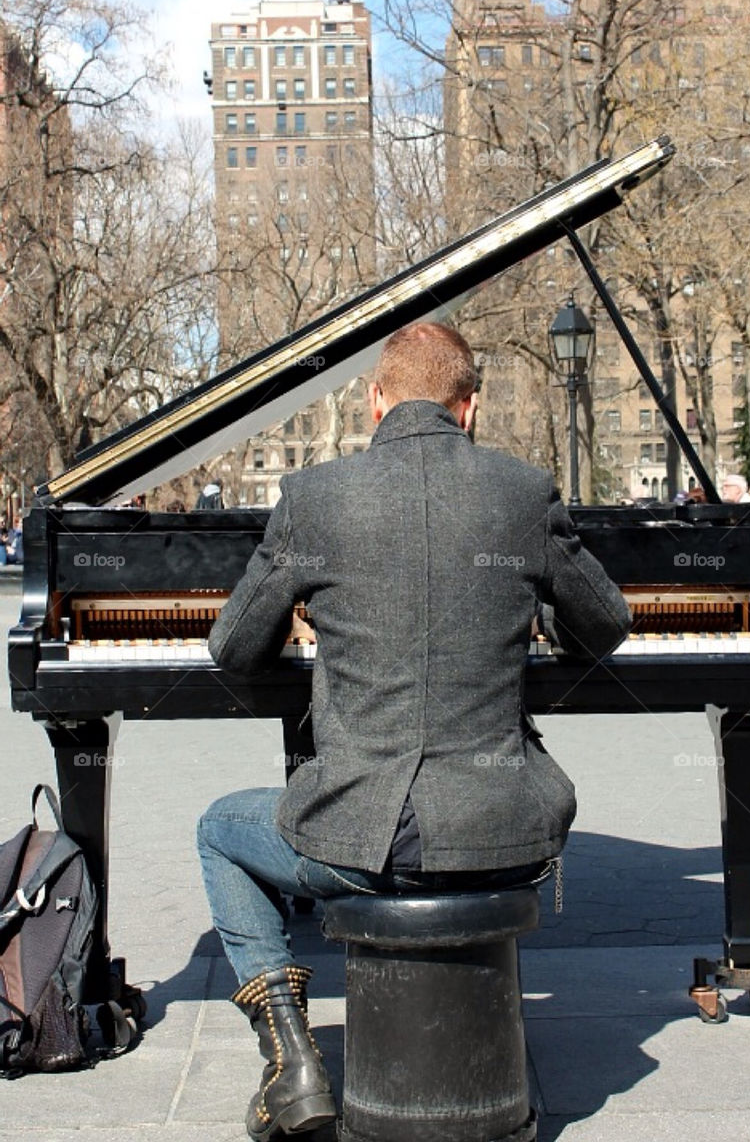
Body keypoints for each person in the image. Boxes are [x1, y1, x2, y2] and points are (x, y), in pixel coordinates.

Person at [197, 322, 631, 1141]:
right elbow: (606, 626)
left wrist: (309, 622)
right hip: (505, 832)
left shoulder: (314, 498)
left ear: (374, 402)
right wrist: (532, 611)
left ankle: (291, 1064)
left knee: (220, 829)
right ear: (468, 408)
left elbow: (232, 649)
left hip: (366, 837)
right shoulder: (524, 490)